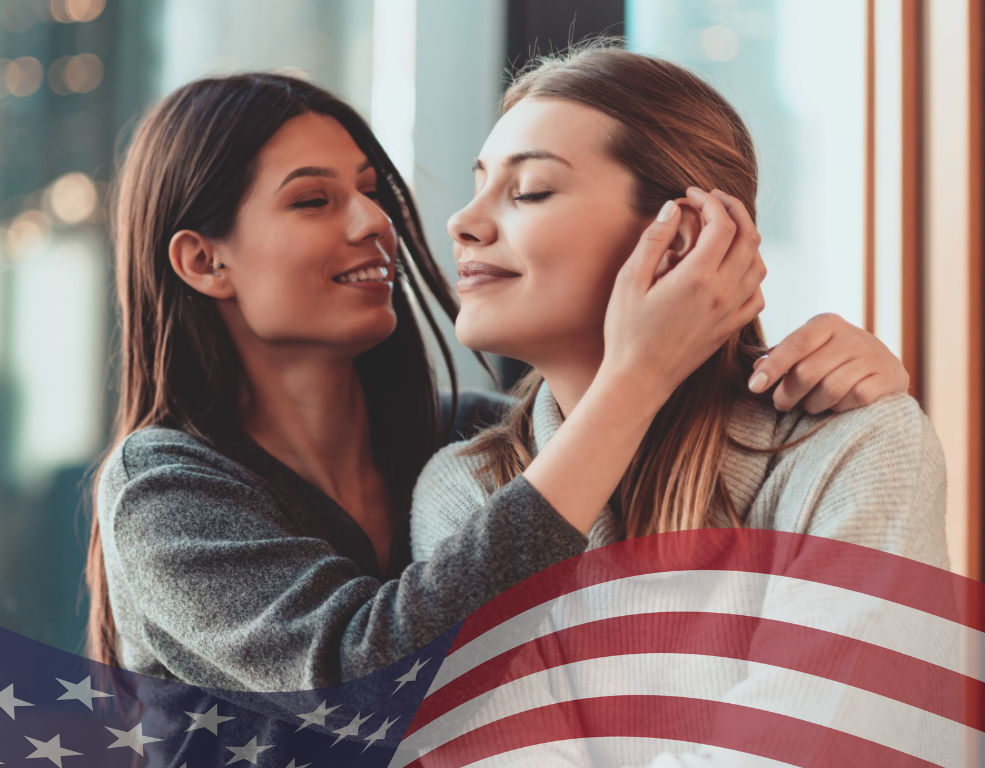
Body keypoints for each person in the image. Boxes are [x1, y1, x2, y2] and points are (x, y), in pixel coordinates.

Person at [86, 72, 909, 703]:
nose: (378, 223)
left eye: (372, 191)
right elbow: (367, 676)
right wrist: (637, 373)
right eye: (313, 200)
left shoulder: (475, 445)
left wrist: (855, 387)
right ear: (205, 261)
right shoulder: (163, 492)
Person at [406, 45, 955, 767]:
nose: (463, 223)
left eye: (530, 190)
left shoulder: (854, 444)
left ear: (685, 237)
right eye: (479, 186)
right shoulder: (465, 488)